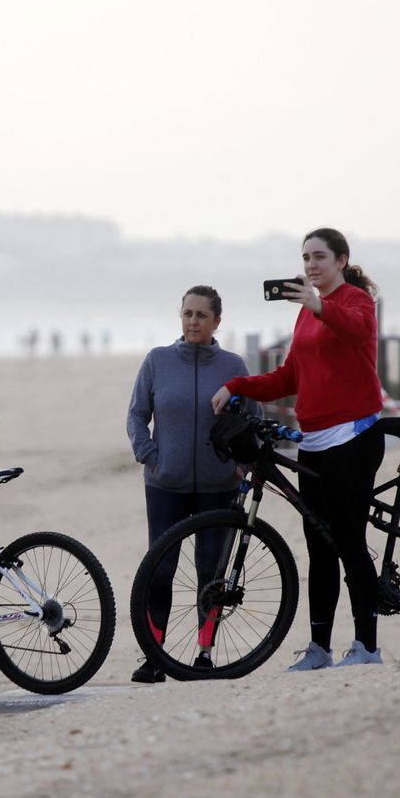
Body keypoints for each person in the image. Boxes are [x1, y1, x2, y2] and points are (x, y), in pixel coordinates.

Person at [213, 228, 386, 670]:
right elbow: (290, 376)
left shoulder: (354, 301)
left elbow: (358, 330)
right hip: (314, 440)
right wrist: (237, 385)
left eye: (320, 257)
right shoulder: (307, 314)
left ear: (341, 261)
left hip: (353, 436)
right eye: (306, 257)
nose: (311, 265)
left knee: (349, 541)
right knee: (320, 546)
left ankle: (367, 647)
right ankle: (319, 649)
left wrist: (318, 304)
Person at [126, 286, 255, 683]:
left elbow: (252, 419)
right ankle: (154, 658)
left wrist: (241, 467)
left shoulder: (233, 365)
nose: (193, 321)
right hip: (166, 484)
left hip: (219, 486)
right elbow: (136, 415)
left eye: (201, 315)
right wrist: (150, 456)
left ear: (217, 321)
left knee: (211, 572)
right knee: (160, 570)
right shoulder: (158, 360)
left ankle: (205, 653)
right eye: (188, 314)